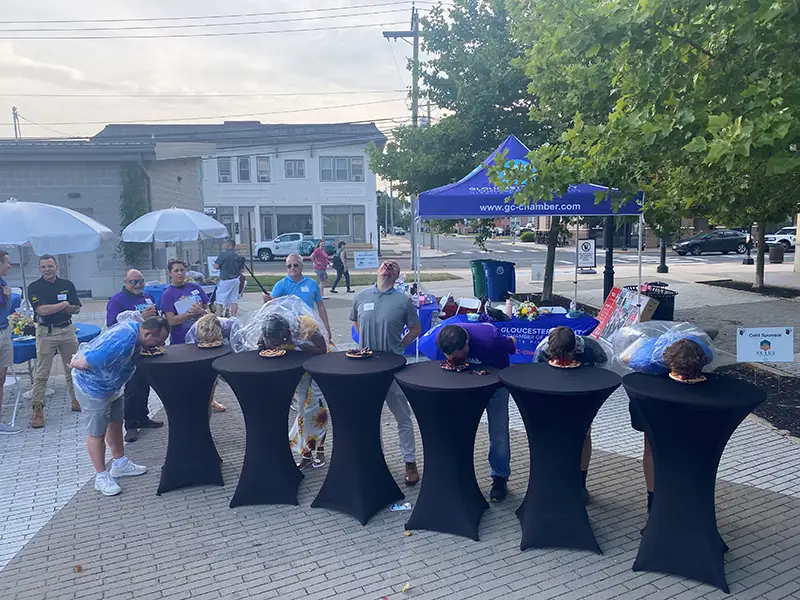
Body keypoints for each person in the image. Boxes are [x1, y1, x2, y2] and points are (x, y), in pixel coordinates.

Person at [70, 316, 170, 496]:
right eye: (157, 341)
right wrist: (74, 361)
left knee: (115, 423)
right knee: (96, 433)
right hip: (93, 389)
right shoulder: (121, 341)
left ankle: (120, 463)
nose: (158, 345)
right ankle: (101, 476)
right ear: (147, 334)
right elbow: (85, 362)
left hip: (113, 387)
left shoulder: (137, 333)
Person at [350, 260, 422, 486]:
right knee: (369, 418)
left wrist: (400, 345)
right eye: (385, 263)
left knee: (403, 417)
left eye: (394, 265)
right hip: (367, 368)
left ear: (397, 275)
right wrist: (366, 341)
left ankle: (410, 462)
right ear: (378, 270)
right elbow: (355, 322)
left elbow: (416, 329)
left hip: (394, 369)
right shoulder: (361, 297)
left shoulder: (403, 301)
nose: (388, 266)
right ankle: (374, 461)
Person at [436, 323, 516, 501]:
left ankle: (500, 478)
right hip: (467, 386)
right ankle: (459, 475)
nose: (459, 359)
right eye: (453, 358)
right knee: (459, 428)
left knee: (499, 431)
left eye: (460, 355)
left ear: (467, 344)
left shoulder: (489, 338)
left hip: (496, 388)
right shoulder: (442, 338)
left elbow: (513, 344)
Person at [535, 326, 609, 503]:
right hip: (555, 396)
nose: (562, 361)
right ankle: (555, 480)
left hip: (583, 397)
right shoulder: (543, 350)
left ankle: (580, 483)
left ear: (574, 348)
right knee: (555, 438)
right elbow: (538, 374)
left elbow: (604, 370)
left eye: (566, 356)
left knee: (584, 436)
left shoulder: (592, 349)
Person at [105, 269, 164, 443]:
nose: (138, 285)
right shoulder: (117, 300)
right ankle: (131, 425)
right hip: (129, 349)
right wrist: (139, 316)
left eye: (140, 281)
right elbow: (112, 325)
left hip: (148, 346)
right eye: (133, 282)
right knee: (132, 388)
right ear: (125, 282)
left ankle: (143, 418)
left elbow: (156, 319)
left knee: (144, 384)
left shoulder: (147, 297)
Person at [27, 254, 82, 428]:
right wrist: (63, 305)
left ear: (56, 267)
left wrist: (65, 308)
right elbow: (42, 310)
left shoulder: (67, 285)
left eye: (50, 266)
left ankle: (77, 399)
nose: (47, 270)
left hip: (67, 330)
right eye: (43, 267)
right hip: (46, 333)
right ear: (39, 269)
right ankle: (38, 410)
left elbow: (77, 308)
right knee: (42, 372)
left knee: (74, 367)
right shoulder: (34, 287)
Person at [263, 253, 332, 341]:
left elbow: (321, 307)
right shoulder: (280, 285)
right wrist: (266, 301)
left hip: (308, 326)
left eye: (295, 265)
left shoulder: (312, 284)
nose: (292, 268)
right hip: (287, 329)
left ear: (301, 266)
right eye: (289, 266)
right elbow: (271, 305)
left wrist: (326, 328)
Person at [161, 259, 209, 345]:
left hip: (201, 335)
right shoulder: (168, 294)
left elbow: (207, 308)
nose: (180, 273)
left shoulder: (195, 287)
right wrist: (190, 313)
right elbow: (171, 321)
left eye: (182, 270)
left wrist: (202, 311)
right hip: (181, 339)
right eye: (176, 271)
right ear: (170, 273)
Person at [0, 250, 21, 434]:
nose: (10, 265)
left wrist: (7, 297)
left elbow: (6, 310)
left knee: (1, 377)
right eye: (7, 262)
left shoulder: (4, 283)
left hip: (4, 331)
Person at [213, 239, 244, 317]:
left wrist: (216, 265)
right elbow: (242, 270)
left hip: (226, 280)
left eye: (225, 244)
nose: (223, 246)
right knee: (234, 300)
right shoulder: (237, 256)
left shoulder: (223, 255)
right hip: (236, 280)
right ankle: (233, 317)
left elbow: (216, 266)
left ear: (229, 245)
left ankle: (218, 317)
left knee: (220, 299)